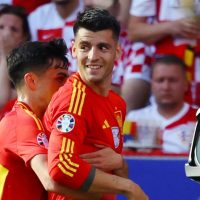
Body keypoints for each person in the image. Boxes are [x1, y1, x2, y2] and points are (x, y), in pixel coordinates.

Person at [43, 8, 148, 200]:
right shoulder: (73, 99)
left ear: (117, 52)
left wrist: (120, 164)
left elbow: (111, 172)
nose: (92, 56)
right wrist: (130, 188)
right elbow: (60, 165)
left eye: (103, 47)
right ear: (74, 50)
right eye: (85, 46)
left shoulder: (117, 104)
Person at [123, 0, 200, 111]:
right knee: (132, 89)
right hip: (160, 54)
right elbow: (134, 32)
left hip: (195, 53)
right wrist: (171, 27)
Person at [126, 55, 197, 154]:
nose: (166, 87)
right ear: (152, 85)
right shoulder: (133, 118)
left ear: (185, 85)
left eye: (172, 80)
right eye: (160, 80)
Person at [0, 4, 30, 116]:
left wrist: (6, 55)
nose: (5, 34)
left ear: (24, 37)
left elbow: (2, 102)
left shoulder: (27, 69)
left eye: (14, 29)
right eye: (1, 27)